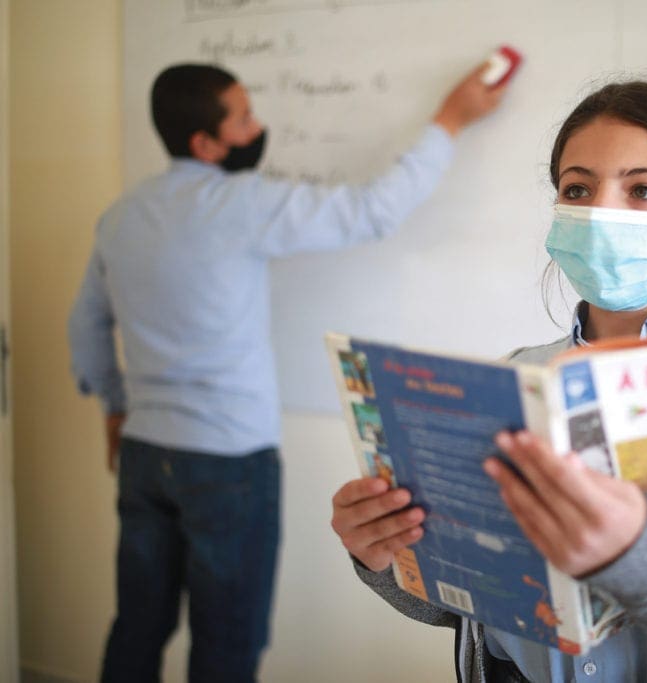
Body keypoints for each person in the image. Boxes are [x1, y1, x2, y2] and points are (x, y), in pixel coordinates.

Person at [330, 81, 647, 682]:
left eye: (642, 189)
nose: (599, 212)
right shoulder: (514, 380)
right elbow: (465, 603)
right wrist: (384, 555)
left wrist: (634, 557)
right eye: (577, 188)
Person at [68, 60, 507, 682]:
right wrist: (450, 118)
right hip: (227, 461)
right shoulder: (241, 202)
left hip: (144, 453)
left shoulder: (121, 216)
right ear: (205, 143)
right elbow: (373, 210)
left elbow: (84, 328)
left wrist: (113, 407)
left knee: (137, 625)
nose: (258, 126)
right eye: (244, 117)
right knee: (227, 640)